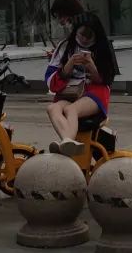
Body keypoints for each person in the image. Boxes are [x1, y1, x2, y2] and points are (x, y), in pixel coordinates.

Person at [44, 12, 118, 157]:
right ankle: (68, 143)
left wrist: (91, 67)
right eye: (81, 34)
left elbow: (105, 81)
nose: (84, 39)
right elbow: (51, 81)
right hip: (71, 92)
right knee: (52, 108)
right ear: (76, 31)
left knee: (71, 109)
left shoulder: (103, 48)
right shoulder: (66, 46)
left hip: (94, 93)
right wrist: (70, 63)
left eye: (89, 36)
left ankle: (67, 142)